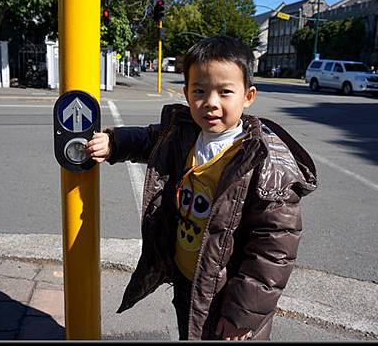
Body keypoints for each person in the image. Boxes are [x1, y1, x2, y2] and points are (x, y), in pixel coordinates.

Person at [86, 35, 318, 340]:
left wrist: (242, 314)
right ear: (185, 93)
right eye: (199, 91)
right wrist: (114, 142)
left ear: (248, 96)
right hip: (189, 281)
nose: (210, 102)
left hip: (228, 297)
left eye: (225, 92)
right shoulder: (184, 135)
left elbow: (273, 249)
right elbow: (149, 139)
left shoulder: (264, 160)